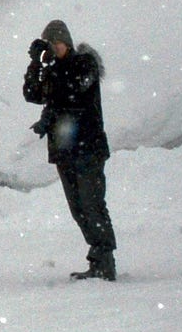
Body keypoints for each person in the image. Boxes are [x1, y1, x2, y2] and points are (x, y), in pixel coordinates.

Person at [22, 19, 116, 281]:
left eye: (57, 43)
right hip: (64, 152)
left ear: (67, 42)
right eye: (49, 45)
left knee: (92, 204)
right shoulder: (53, 70)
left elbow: (73, 94)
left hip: (89, 148)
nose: (54, 48)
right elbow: (32, 94)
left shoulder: (85, 64)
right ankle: (97, 257)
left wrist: (51, 67)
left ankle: (105, 261)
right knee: (78, 209)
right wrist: (36, 64)